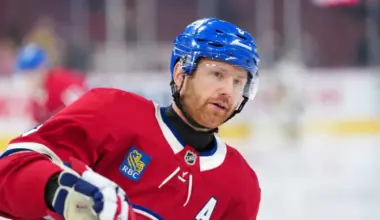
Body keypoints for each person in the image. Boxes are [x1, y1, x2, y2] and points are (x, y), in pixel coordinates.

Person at [0, 18, 261, 220]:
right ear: (182, 73)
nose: (228, 90)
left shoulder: (241, 186)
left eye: (239, 81)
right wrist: (59, 191)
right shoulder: (112, 111)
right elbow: (8, 172)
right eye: (217, 75)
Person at [13, 43, 87, 124]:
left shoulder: (61, 83)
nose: (28, 78)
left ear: (42, 68)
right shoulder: (38, 95)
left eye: (31, 73)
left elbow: (84, 111)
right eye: (25, 74)